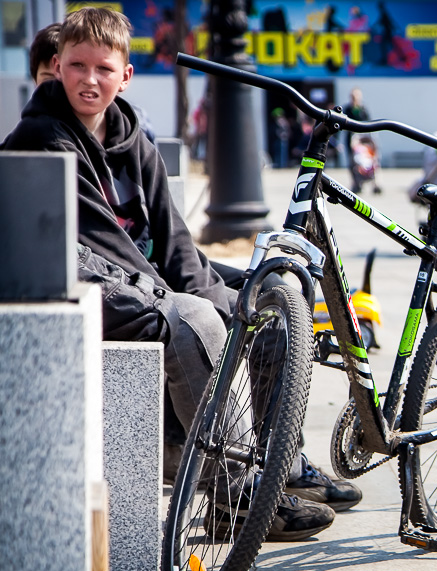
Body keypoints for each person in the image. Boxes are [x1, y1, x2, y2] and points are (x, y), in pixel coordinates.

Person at [3, 8, 358, 540]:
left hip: (140, 284)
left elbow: (175, 243)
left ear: (125, 75)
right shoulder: (42, 139)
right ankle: (233, 496)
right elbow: (103, 253)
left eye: (104, 68)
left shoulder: (133, 139)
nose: (89, 80)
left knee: (274, 302)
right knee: (194, 320)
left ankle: (278, 460)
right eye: (77, 66)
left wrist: (234, 305)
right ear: (58, 65)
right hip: (77, 287)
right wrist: (196, 305)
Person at [342, 88, 372, 191]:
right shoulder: (347, 109)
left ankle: (368, 181)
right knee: (352, 163)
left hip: (363, 140)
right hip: (351, 139)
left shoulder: (363, 109)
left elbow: (368, 122)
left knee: (365, 161)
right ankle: (356, 183)